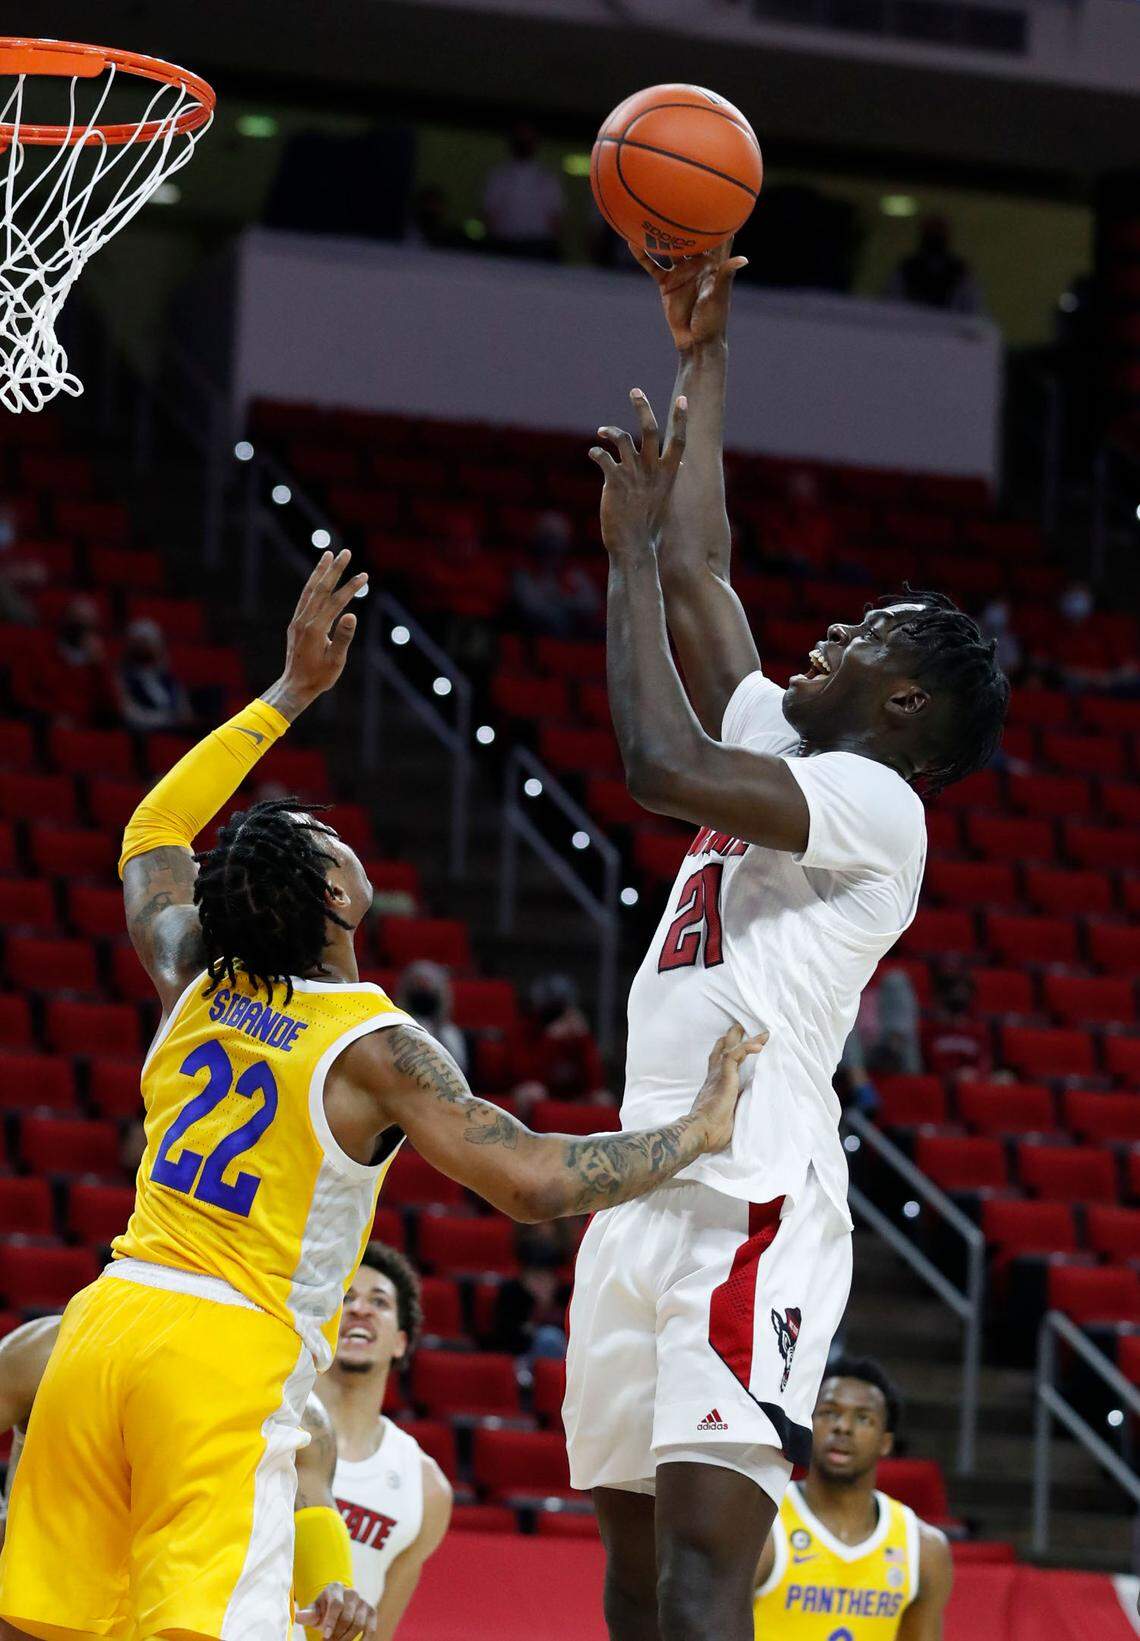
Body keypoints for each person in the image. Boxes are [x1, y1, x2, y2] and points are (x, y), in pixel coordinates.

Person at [0, 548, 765, 1641]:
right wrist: (694, 1131)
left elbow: (152, 836)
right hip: (223, 1356)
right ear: (338, 895)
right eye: (329, 839)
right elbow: (533, 1180)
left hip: (105, 1325)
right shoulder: (372, 1046)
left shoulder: (190, 974)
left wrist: (286, 697)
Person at [563, 242, 1009, 1641]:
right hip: (648, 1168)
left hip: (753, 1184)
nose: (829, 635)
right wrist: (707, 353)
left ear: (903, 709)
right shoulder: (792, 733)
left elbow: (657, 761)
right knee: (633, 1577)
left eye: (864, 638)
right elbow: (702, 561)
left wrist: (621, 560)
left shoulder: (876, 804)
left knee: (704, 1569)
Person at [0, 1316, 378, 1641]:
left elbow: (309, 1518)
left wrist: (333, 1589)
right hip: (43, 1614)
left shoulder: (288, 1407)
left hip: (180, 1616)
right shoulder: (54, 1348)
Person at [301, 1244, 451, 1640]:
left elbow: (376, 1634)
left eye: (379, 1302)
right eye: (345, 1298)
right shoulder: (271, 1426)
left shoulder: (427, 1489)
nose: (360, 1309)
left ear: (400, 1342)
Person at [752, 1357, 953, 1639]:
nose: (843, 1427)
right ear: (807, 1424)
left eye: (863, 1418)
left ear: (886, 1442)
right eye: (829, 1413)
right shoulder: (760, 1526)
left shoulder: (924, 1548)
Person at [490, 1221, 573, 1363]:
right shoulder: (511, 1293)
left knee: (550, 1337)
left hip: (562, 1359)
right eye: (535, 1277)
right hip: (521, 1359)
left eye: (546, 1277)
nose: (541, 1283)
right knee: (548, 1337)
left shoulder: (565, 1293)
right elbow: (503, 1338)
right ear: (524, 1275)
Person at [511, 510, 603, 638]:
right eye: (548, 537)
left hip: (575, 636)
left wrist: (557, 600)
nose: (552, 545)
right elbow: (532, 607)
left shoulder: (574, 574)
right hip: (539, 635)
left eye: (558, 538)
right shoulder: (524, 572)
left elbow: (592, 604)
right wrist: (567, 602)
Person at [483, 121, 562, 261]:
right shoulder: (499, 175)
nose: (523, 143)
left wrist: (554, 247)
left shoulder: (547, 178)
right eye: (519, 139)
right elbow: (490, 213)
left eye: (527, 139)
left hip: (537, 246)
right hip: (504, 244)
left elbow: (555, 217)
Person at [885, 217, 983, 316]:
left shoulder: (960, 270)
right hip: (911, 319)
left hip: (947, 322)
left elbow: (970, 303)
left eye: (938, 234)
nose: (934, 238)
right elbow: (892, 299)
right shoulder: (907, 267)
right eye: (931, 234)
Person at [116, 617, 193, 732]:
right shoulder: (124, 680)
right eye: (141, 643)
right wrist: (166, 720)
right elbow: (130, 714)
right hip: (145, 736)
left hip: (175, 734)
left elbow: (185, 714)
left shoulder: (170, 681)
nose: (145, 647)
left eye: (149, 642)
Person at [396, 960, 468, 1074]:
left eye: (426, 987)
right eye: (417, 986)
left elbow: (460, 1071)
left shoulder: (450, 1034)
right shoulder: (397, 1032)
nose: (422, 993)